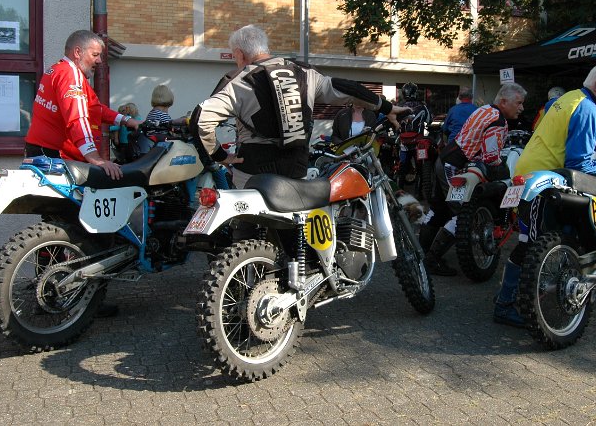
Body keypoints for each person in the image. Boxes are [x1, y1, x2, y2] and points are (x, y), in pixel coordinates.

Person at [194, 24, 409, 190]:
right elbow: (347, 88)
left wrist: (221, 156)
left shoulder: (238, 81)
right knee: (295, 228)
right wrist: (387, 108)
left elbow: (200, 119)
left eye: (234, 57)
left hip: (252, 172)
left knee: (247, 226)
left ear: (240, 54)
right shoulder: (305, 73)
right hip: (296, 170)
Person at [493, 64, 596, 327]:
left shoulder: (569, 98)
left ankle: (531, 292)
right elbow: (580, 161)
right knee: (531, 243)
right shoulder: (588, 110)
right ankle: (506, 304)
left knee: (533, 240)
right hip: (545, 180)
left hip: (532, 173)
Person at [419, 83, 527, 276]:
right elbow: (491, 158)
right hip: (455, 166)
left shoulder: (485, 109)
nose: (522, 108)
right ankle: (431, 260)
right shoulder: (498, 121)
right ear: (504, 101)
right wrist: (504, 171)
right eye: (518, 103)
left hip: (445, 159)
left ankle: (420, 253)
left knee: (439, 208)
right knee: (460, 215)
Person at [25, 30, 142, 181]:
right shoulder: (70, 75)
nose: (99, 61)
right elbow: (77, 118)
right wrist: (96, 159)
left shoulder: (59, 70)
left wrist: (126, 120)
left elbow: (95, 109)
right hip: (53, 155)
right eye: (95, 55)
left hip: (43, 151)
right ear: (77, 52)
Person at [396, 82, 432, 187]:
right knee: (422, 167)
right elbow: (429, 120)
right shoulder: (423, 106)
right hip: (419, 142)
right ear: (415, 93)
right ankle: (420, 190)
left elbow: (394, 122)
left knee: (402, 166)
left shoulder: (399, 107)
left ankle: (400, 188)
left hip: (404, 142)